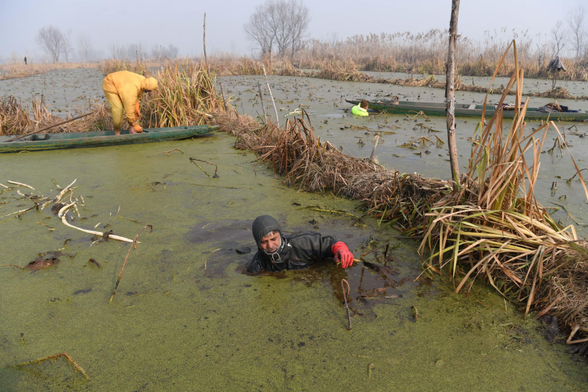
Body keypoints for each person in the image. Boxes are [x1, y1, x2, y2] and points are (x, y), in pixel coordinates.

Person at [246, 215, 355, 273]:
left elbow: (330, 242)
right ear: (258, 243)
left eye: (274, 239)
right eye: (264, 242)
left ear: (280, 235)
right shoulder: (257, 264)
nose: (270, 246)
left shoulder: (304, 243)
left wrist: (341, 249)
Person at [102, 71, 158, 135]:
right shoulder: (133, 88)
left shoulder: (143, 82)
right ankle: (117, 133)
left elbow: (135, 104)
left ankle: (132, 131)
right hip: (110, 83)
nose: (150, 91)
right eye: (150, 90)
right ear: (147, 87)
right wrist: (134, 124)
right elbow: (129, 108)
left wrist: (134, 124)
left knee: (134, 108)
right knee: (118, 109)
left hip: (122, 84)